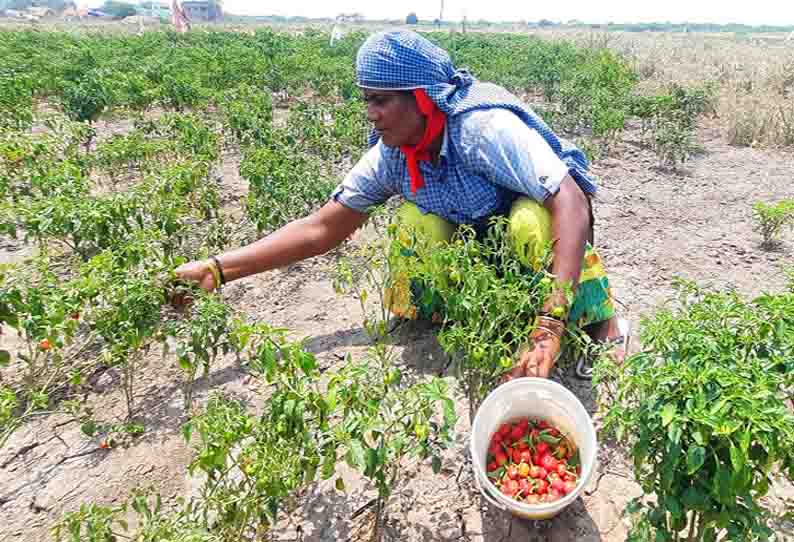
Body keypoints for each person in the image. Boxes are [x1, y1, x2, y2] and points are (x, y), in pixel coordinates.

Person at [175, 30, 629, 380]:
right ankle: (443, 313)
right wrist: (217, 269)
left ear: (424, 99)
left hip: (538, 235)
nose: (370, 113)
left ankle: (600, 325)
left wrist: (549, 323)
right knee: (416, 221)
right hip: (482, 243)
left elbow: (569, 200)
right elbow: (322, 229)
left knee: (530, 220)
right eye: (366, 99)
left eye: (380, 100)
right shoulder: (393, 155)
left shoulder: (482, 130)